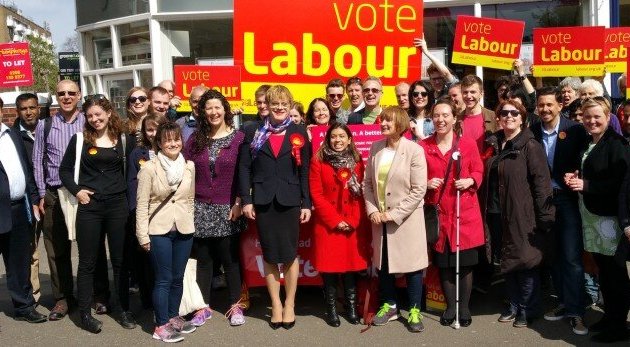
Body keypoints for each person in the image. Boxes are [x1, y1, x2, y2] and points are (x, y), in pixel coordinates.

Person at [33, 80, 110, 321]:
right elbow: (37, 162)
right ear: (56, 96)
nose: (66, 97)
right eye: (61, 93)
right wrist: (40, 194)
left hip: (85, 192)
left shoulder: (89, 122)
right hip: (55, 193)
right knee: (56, 249)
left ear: (79, 96)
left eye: (71, 93)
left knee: (92, 246)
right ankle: (63, 298)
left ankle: (99, 294)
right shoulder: (45, 125)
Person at [59, 96, 135, 333]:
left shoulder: (122, 139)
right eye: (90, 116)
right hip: (90, 207)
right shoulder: (80, 139)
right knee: (87, 262)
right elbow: (64, 171)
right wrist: (77, 191)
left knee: (121, 261)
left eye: (98, 114)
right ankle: (84, 314)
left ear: (109, 113)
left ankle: (123, 309)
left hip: (117, 206)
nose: (94, 119)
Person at [239, 85, 312, 330]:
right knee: (270, 256)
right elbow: (244, 169)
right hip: (264, 201)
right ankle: (276, 305)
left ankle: (289, 304)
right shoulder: (253, 132)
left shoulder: (299, 132)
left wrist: (306, 203)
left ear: (290, 105)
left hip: (290, 201)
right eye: (274, 104)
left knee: (290, 256)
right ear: (267, 106)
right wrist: (247, 200)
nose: (279, 108)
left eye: (284, 104)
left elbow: (305, 172)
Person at [565, 97, 630, 343]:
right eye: (587, 116)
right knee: (603, 269)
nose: (591, 121)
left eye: (596, 117)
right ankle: (611, 317)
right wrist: (575, 176)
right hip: (591, 216)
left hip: (610, 219)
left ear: (607, 117)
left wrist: (587, 185)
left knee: (615, 273)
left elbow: (621, 184)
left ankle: (619, 325)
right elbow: (589, 170)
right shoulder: (588, 142)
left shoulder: (617, 144)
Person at [485, 100, 554, 329]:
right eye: (504, 113)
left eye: (515, 113)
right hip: (497, 211)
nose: (509, 116)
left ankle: (528, 308)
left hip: (522, 213)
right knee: (508, 261)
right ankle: (514, 304)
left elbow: (542, 184)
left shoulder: (530, 146)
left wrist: (545, 216)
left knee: (525, 261)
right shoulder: (493, 143)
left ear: (522, 118)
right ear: (498, 117)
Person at [183, 89, 247, 326]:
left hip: (228, 208)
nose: (213, 112)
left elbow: (244, 173)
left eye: (217, 107)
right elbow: (184, 168)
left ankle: (235, 305)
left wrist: (240, 201)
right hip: (199, 207)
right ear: (202, 112)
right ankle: (202, 306)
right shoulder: (195, 139)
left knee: (230, 260)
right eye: (208, 108)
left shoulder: (239, 138)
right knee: (205, 260)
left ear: (225, 109)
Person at [530, 87, 590, 335]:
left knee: (572, 257)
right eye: (541, 105)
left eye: (549, 105)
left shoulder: (575, 130)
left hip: (567, 200)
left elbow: (586, 159)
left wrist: (580, 175)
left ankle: (576, 311)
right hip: (542, 202)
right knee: (552, 255)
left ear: (559, 106)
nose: (545, 109)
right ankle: (564, 303)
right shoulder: (532, 131)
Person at [363, 106, 428, 333]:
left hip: (406, 219)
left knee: (412, 267)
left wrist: (392, 215)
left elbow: (419, 190)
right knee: (384, 265)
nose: (383, 124)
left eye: (388, 121)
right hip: (379, 219)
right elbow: (367, 184)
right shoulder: (375, 148)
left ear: (400, 124)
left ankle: (414, 309)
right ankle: (389, 306)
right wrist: (372, 210)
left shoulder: (414, 150)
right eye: (382, 121)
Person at [421, 99, 484, 328]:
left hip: (463, 211)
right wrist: (426, 183)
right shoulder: (423, 146)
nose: (440, 120)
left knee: (464, 263)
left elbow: (478, 169)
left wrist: (470, 180)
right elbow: (415, 177)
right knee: (444, 263)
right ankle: (450, 306)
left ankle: (464, 307)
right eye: (436, 115)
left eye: (445, 115)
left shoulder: (466, 144)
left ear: (454, 118)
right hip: (439, 212)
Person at [136, 122, 196, 342]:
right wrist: (143, 235)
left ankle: (173, 317)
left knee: (178, 278)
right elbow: (142, 205)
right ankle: (160, 325)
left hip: (184, 228)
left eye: (176, 139)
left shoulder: (189, 166)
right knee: (163, 279)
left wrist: (189, 221)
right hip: (158, 230)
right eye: (168, 140)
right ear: (159, 143)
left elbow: (190, 198)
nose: (173, 143)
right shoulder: (149, 168)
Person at [309, 123, 369, 327]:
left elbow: (361, 193)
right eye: (333, 137)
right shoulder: (318, 161)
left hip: (352, 223)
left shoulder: (358, 161)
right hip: (328, 225)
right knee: (330, 270)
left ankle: (351, 308)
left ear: (350, 139)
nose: (338, 140)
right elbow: (316, 195)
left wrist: (351, 221)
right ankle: (332, 309)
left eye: (342, 136)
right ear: (328, 139)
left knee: (351, 268)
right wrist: (335, 221)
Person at [0, 96, 47, 324]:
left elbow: (26, 171)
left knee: (19, 262)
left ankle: (24, 306)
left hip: (18, 209)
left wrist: (35, 198)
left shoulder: (12, 135)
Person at [125, 115, 166, 311]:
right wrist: (136, 213)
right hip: (144, 213)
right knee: (145, 258)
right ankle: (147, 300)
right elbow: (132, 184)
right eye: (149, 130)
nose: (153, 133)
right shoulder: (137, 154)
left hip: (166, 212)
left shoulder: (172, 150)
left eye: (157, 129)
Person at [13, 93, 44, 303]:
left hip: (49, 195)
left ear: (38, 109)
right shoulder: (13, 136)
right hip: (29, 200)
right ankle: (33, 295)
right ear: (18, 111)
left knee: (58, 247)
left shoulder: (48, 129)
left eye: (32, 107)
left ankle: (66, 294)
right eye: (24, 108)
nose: (29, 112)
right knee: (30, 249)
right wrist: (33, 199)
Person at [457, 75, 498, 153]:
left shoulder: (493, 117)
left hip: (487, 164)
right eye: (465, 92)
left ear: (481, 94)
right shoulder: (456, 120)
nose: (469, 96)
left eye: (473, 92)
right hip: (463, 164)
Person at [414, 35, 459, 99]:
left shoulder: (450, 91)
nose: (437, 82)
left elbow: (446, 73)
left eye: (439, 78)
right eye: (434, 79)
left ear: (444, 79)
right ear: (430, 80)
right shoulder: (427, 97)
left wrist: (426, 52)